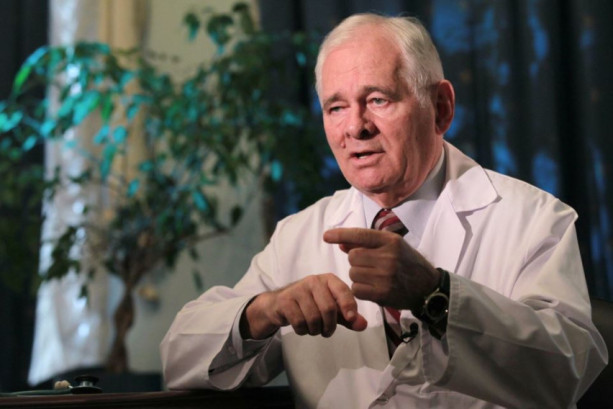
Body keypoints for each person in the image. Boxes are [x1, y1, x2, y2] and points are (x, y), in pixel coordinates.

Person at [160, 13, 607, 409]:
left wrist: (435, 295)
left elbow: (567, 371)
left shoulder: (533, 219)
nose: (355, 126)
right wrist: (265, 311)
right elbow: (179, 356)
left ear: (441, 108)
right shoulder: (298, 235)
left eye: (378, 99)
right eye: (336, 107)